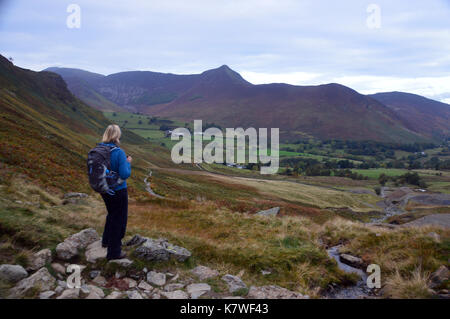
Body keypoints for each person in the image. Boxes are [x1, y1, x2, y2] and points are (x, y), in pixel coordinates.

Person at [99, 124, 132, 260]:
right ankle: (114, 252)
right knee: (119, 219)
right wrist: (128, 162)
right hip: (118, 190)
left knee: (111, 214)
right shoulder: (118, 152)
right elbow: (124, 174)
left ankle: (106, 240)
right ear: (117, 136)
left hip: (104, 189)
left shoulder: (99, 150)